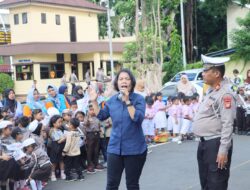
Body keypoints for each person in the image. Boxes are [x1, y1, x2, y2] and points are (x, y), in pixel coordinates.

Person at [88, 68, 147, 190]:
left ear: (132, 82)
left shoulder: (139, 99)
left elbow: (137, 118)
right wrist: (94, 101)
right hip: (114, 148)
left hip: (135, 149)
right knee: (111, 185)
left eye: (127, 78)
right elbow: (101, 116)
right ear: (117, 83)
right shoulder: (112, 100)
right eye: (121, 79)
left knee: (132, 184)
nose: (124, 81)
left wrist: (127, 101)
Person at [193, 54, 236, 190]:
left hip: (215, 144)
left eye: (206, 70)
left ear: (216, 73)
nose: (203, 73)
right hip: (205, 144)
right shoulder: (211, 92)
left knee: (216, 183)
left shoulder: (225, 94)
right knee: (205, 183)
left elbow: (228, 124)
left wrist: (223, 150)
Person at [84, 104, 104, 174]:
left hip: (97, 134)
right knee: (90, 150)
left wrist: (101, 130)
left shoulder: (97, 117)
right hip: (90, 134)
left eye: (93, 110)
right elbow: (85, 124)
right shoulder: (86, 117)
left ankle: (96, 163)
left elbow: (101, 125)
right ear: (88, 111)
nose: (92, 111)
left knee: (96, 149)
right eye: (91, 110)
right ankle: (90, 164)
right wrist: (88, 120)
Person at [48, 115, 66, 181]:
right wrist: (65, 137)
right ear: (54, 123)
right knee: (54, 162)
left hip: (61, 148)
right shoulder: (52, 131)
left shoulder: (59, 130)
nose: (61, 123)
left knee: (61, 161)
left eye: (61, 122)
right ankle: (52, 174)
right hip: (55, 148)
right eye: (59, 122)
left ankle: (62, 173)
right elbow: (59, 141)